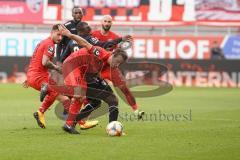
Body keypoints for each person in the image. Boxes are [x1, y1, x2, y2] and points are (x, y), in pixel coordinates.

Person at [58, 25, 128, 134]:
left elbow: (99, 75)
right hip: (73, 65)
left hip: (87, 75)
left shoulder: (109, 64)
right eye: (117, 61)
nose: (117, 65)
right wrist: (70, 35)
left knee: (111, 99)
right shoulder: (101, 53)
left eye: (120, 64)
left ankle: (112, 127)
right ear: (112, 55)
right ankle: (49, 88)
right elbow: (85, 44)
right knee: (79, 94)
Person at [25, 24, 71, 129]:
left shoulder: (43, 42)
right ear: (52, 32)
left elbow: (36, 60)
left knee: (65, 99)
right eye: (58, 35)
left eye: (62, 36)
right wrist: (56, 67)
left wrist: (29, 78)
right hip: (39, 77)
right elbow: (45, 62)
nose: (60, 38)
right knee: (57, 91)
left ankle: (41, 112)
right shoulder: (50, 44)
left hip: (33, 76)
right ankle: (41, 106)